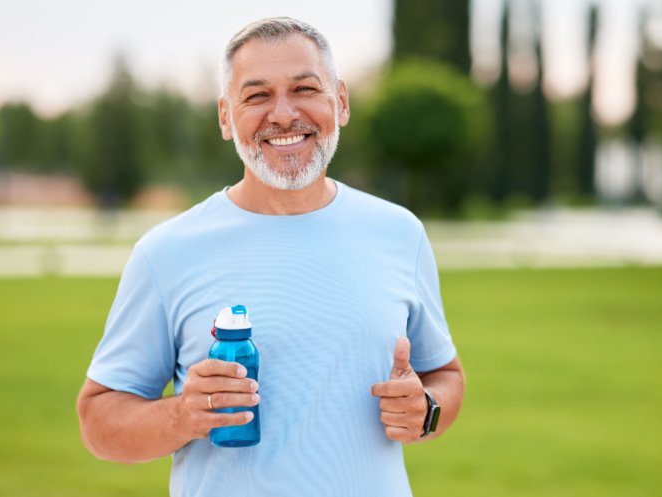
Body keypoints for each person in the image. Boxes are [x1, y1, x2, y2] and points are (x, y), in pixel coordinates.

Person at [77, 16, 465, 497]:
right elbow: (97, 420)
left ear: (340, 102)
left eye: (304, 88)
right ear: (225, 116)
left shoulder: (400, 233)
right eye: (257, 95)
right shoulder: (166, 252)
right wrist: (182, 414)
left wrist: (425, 409)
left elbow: (445, 376)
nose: (283, 115)